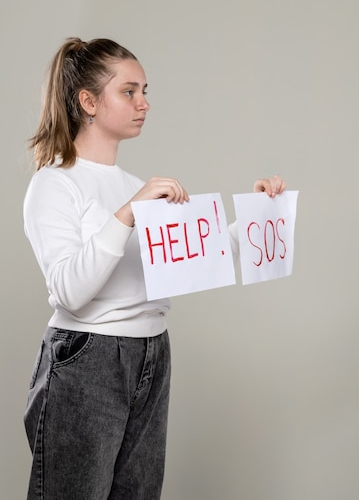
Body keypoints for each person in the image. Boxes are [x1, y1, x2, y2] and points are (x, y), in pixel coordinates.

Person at [23, 37, 285, 500]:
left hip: (151, 352)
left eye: (145, 90)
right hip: (88, 358)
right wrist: (127, 213)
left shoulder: (134, 187)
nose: (144, 103)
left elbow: (198, 260)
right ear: (88, 101)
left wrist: (259, 214)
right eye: (129, 92)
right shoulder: (54, 184)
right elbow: (69, 290)